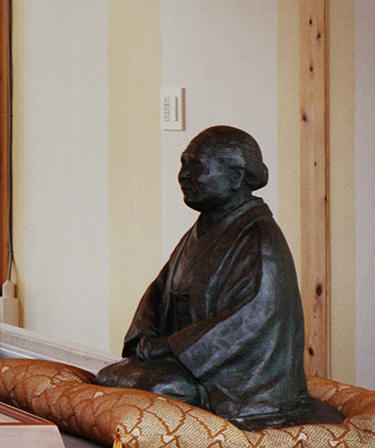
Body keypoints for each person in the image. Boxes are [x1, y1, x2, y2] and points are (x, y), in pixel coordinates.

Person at [94, 126, 341, 429]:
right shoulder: (201, 231)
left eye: (195, 165)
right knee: (110, 374)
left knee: (161, 388)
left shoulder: (260, 237)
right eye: (184, 163)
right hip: (186, 365)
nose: (183, 175)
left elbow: (252, 317)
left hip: (239, 384)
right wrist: (144, 338)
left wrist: (171, 347)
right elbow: (160, 290)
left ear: (236, 176)